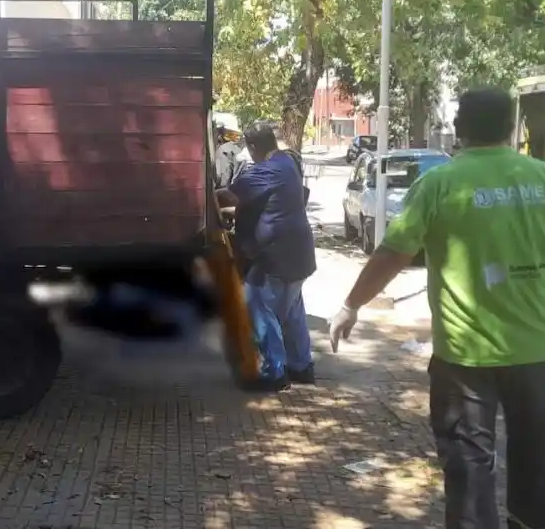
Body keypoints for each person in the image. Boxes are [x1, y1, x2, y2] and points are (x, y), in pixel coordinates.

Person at [329, 87, 545, 529]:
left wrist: (351, 304)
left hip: (465, 359)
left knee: (470, 470)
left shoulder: (440, 183)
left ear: (460, 128)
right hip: (538, 353)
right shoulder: (540, 178)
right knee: (536, 463)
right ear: (511, 128)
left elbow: (393, 252)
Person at [217, 121, 316, 391]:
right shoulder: (287, 163)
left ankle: (275, 373)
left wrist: (202, 198)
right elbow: (266, 203)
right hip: (300, 254)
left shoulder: (267, 169)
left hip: (275, 257)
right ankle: (302, 366)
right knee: (293, 311)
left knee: (258, 306)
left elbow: (228, 196)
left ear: (252, 146)